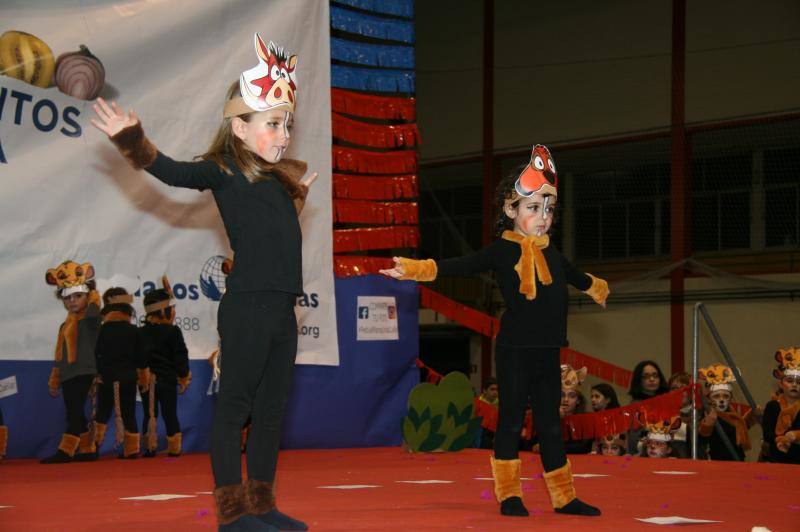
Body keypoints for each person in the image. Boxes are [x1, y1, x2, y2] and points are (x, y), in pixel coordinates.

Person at [92, 33, 316, 532]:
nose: (283, 134)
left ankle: (262, 504)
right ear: (239, 127)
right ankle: (232, 514)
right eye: (274, 124)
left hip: (282, 310)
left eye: (288, 125)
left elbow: (273, 235)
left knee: (272, 411)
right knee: (235, 406)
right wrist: (133, 141)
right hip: (248, 308)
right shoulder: (222, 170)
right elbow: (172, 172)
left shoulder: (278, 182)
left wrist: (295, 199)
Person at [381, 144, 609, 518]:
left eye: (548, 210)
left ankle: (564, 496)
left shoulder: (552, 252)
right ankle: (509, 495)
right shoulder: (502, 251)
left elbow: (576, 276)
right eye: (534, 208)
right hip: (515, 349)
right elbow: (458, 264)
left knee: (551, 425)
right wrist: (414, 268)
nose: (543, 217)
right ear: (511, 210)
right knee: (512, 420)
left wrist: (596, 287)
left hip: (549, 348)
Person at [41, 260, 102, 464]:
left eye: (78, 296)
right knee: (74, 411)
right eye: (67, 298)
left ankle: (65, 451)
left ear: (88, 296)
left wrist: (93, 292)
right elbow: (60, 356)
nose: (73, 301)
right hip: (68, 374)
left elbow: (94, 310)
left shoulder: (91, 320)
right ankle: (87, 449)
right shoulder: (64, 326)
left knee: (74, 412)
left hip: (84, 371)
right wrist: (55, 380)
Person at [138, 279, 191, 458]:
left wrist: (142, 376)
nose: (174, 312)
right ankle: (174, 448)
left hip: (147, 381)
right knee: (170, 414)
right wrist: (183, 376)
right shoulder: (173, 331)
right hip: (167, 380)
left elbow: (138, 358)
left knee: (149, 414)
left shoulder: (141, 332)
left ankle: (150, 447)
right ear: (163, 310)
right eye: (171, 308)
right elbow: (180, 356)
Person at [94, 287, 148, 458]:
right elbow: (142, 359)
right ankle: (132, 450)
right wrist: (143, 378)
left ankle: (91, 448)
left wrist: (97, 375)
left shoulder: (101, 331)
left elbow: (96, 355)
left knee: (102, 412)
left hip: (106, 377)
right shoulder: (134, 331)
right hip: (128, 378)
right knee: (129, 413)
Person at [697, 363, 755, 461]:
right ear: (709, 399)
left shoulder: (734, 414)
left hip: (737, 459)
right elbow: (701, 441)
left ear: (731, 398)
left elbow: (738, 429)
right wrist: (708, 425)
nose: (722, 400)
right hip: (717, 460)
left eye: (726, 396)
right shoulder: (708, 413)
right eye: (716, 396)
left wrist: (751, 418)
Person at [762, 348, 800, 463]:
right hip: (777, 458)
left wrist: (796, 435)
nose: (794, 385)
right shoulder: (772, 406)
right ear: (781, 384)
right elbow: (768, 434)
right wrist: (781, 439)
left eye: (799, 382)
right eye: (789, 381)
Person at [626, 360, 669, 453]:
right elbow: (633, 439)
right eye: (646, 376)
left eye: (655, 375)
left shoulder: (668, 402)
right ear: (639, 380)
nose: (652, 379)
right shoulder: (635, 406)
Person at [559, 365, 593, 454]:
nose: (566, 400)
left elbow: (582, 447)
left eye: (572, 396)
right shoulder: (547, 417)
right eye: (562, 395)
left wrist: (550, 448)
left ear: (578, 400)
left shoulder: (586, 419)